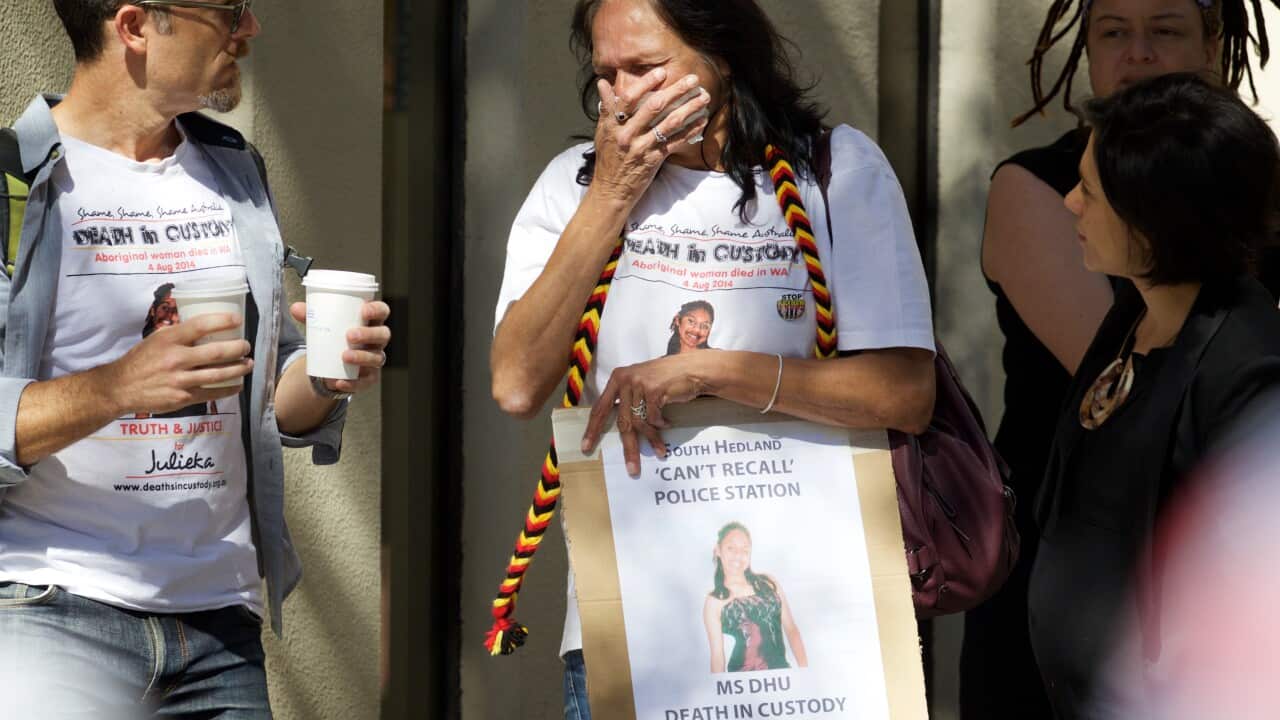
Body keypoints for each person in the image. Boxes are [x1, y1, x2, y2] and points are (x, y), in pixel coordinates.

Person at [490, 1, 935, 717]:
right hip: (632, 622)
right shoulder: (574, 184)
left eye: (646, 68)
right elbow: (515, 384)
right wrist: (612, 194)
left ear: (722, 56)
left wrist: (710, 370)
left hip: (816, 610)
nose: (623, 95)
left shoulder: (834, 171)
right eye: (607, 74)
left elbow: (905, 393)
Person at [0, 2, 390, 717]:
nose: (250, 27)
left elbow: (269, 401)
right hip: (54, 608)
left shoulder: (232, 169)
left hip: (219, 624)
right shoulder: (12, 181)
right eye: (228, 10)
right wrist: (119, 387)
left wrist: (326, 377)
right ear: (135, 26)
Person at [965, 2, 1280, 716]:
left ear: (1152, 208)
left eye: (1164, 30)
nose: (1072, 204)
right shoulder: (1129, 316)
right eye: (1112, 32)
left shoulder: (1241, 365)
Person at [702, 522, 806, 673]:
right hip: (743, 678)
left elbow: (791, 630)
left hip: (781, 675)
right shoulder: (714, 601)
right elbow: (717, 656)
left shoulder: (768, 583)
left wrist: (805, 672)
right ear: (718, 550)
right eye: (731, 548)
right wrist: (720, 687)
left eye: (744, 550)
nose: (738, 555)